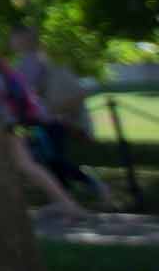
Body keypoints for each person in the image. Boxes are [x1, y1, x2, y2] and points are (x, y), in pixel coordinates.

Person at [10, 25, 116, 207]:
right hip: (42, 121)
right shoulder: (27, 63)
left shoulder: (37, 63)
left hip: (51, 122)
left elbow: (34, 92)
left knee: (53, 159)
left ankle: (94, 186)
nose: (11, 41)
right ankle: (66, 200)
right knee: (48, 160)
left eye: (15, 37)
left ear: (25, 39)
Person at [0, 42, 87, 220]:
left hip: (0, 123)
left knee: (25, 165)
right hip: (9, 122)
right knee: (26, 165)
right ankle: (68, 205)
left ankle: (68, 205)